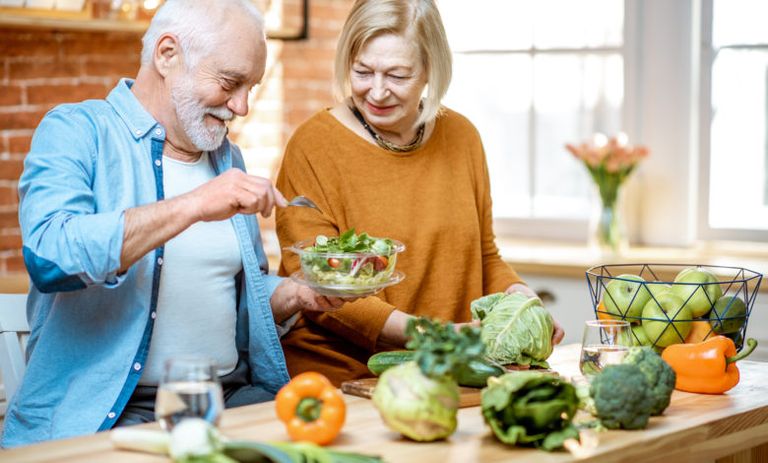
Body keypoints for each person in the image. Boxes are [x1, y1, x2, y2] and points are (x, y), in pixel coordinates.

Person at [2, 0, 345, 448]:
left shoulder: (226, 158)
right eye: (230, 82)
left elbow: (228, 298)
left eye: (252, 87)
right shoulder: (77, 130)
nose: (241, 107)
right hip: (112, 415)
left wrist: (296, 293)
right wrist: (195, 204)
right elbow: (51, 257)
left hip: (231, 399)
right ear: (167, 54)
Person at [274, 0, 565, 387]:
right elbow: (316, 283)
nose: (377, 91)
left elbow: (484, 255)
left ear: (431, 69)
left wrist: (522, 301)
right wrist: (433, 335)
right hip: (346, 379)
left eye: (397, 75)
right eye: (362, 71)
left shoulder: (462, 137)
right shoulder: (314, 145)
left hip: (448, 371)